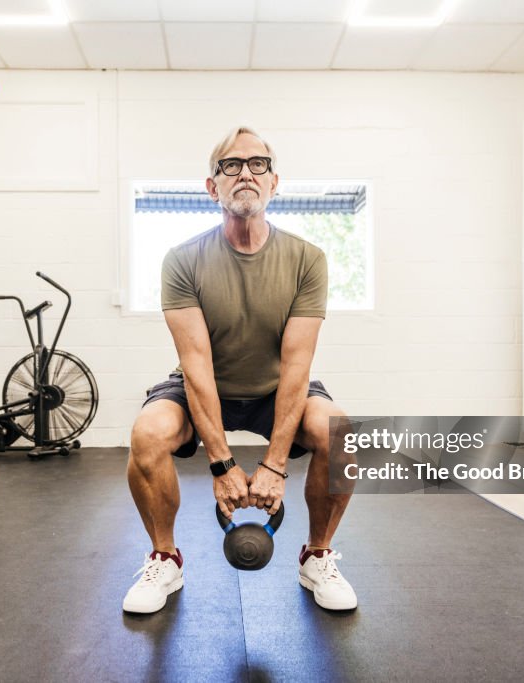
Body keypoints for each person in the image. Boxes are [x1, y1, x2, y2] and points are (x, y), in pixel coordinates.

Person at [122, 126, 357, 614]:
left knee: (341, 433)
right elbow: (197, 367)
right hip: (204, 387)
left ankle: (317, 554)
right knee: (147, 434)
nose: (245, 173)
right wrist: (224, 466)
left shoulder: (307, 259)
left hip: (277, 389)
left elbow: (296, 366)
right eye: (231, 165)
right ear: (213, 187)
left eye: (258, 164)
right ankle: (165, 556)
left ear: (275, 182)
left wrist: (272, 466)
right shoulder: (182, 260)